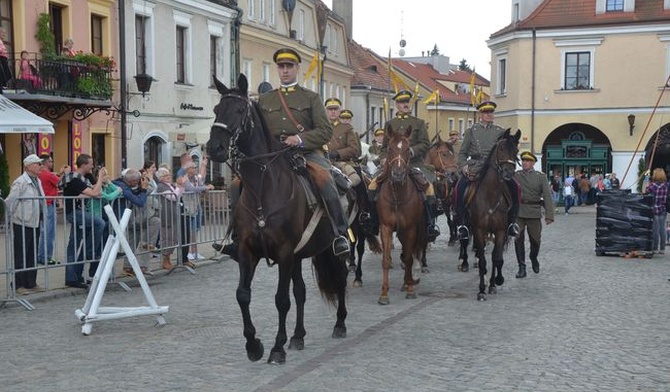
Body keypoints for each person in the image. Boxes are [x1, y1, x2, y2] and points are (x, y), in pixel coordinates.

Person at [223, 47, 350, 259]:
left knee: (325, 180)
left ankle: (339, 233)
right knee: (236, 184)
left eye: (289, 66)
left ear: (297, 68)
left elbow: (326, 131)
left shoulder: (311, 98)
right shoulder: (265, 100)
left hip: (306, 154)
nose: (284, 71)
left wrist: (300, 139)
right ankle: (237, 236)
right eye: (281, 66)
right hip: (273, 156)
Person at [367, 89, 441, 242]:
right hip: (392, 165)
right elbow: (384, 148)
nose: (405, 104)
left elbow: (425, 143)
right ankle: (373, 221)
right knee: (373, 185)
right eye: (402, 102)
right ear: (397, 105)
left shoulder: (418, 123)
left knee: (430, 188)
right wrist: (382, 159)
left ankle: (429, 224)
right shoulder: (390, 124)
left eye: (407, 102)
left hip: (414, 164)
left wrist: (411, 151)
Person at [454, 100, 520, 240]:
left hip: (495, 167)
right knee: (459, 188)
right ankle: (462, 223)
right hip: (475, 166)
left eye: (491, 112)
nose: (489, 115)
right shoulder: (471, 131)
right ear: (480, 114)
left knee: (515, 187)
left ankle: (512, 222)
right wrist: (463, 165)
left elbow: (507, 149)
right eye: (486, 112)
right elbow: (462, 153)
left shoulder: (500, 132)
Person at [58, 153, 107, 289]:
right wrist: (101, 177)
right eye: (91, 164)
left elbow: (96, 191)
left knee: (74, 244)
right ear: (84, 165)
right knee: (99, 223)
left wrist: (95, 182)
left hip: (79, 212)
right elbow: (95, 192)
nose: (92, 166)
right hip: (74, 213)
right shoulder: (75, 179)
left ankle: (74, 276)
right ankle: (90, 252)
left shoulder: (83, 178)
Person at [5, 155, 47, 295]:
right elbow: (11, 201)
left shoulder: (37, 181)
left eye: (40, 164)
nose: (40, 166)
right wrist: (11, 217)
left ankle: (31, 282)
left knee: (32, 254)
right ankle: (18, 284)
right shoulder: (21, 182)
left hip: (34, 222)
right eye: (37, 164)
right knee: (21, 254)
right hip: (22, 222)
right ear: (28, 166)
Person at [513, 151, 555, 278]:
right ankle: (521, 267)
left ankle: (533, 257)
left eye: (527, 161)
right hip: (519, 211)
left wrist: (549, 215)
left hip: (534, 211)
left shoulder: (540, 177)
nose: (525, 163)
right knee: (518, 239)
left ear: (533, 163)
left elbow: (547, 196)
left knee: (535, 240)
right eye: (523, 161)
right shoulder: (516, 175)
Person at [112, 168, 159, 275]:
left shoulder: (131, 185)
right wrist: (143, 189)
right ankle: (128, 267)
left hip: (137, 216)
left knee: (155, 222)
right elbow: (140, 201)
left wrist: (148, 182)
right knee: (133, 242)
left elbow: (150, 190)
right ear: (132, 181)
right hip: (128, 218)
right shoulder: (122, 187)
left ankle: (148, 246)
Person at [37, 154, 68, 265]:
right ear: (46, 163)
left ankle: (40, 255)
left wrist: (59, 174)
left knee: (43, 231)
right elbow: (61, 184)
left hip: (42, 204)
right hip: (49, 204)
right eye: (51, 161)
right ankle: (46, 256)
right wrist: (64, 174)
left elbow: (54, 180)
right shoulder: (48, 174)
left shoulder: (40, 174)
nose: (52, 163)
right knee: (49, 232)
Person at [182, 159, 214, 262]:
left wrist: (205, 188)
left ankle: (195, 251)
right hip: (188, 207)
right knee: (191, 230)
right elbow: (191, 189)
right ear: (188, 169)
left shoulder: (196, 178)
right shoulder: (184, 178)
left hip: (196, 205)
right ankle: (190, 252)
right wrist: (206, 187)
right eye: (194, 167)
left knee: (196, 229)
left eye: (196, 167)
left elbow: (200, 186)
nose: (196, 169)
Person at [324, 99, 362, 187]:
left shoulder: (347, 128)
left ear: (339, 111)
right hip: (322, 162)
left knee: (356, 179)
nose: (333, 112)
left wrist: (337, 153)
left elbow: (354, 149)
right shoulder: (320, 127)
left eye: (335, 109)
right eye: (330, 109)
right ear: (326, 111)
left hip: (341, 163)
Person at [644, 168, 668, 255]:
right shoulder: (666, 186)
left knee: (655, 230)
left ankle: (655, 248)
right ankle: (662, 248)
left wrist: (646, 182)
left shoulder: (652, 186)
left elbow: (645, 193)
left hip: (654, 209)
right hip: (662, 209)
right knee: (662, 229)